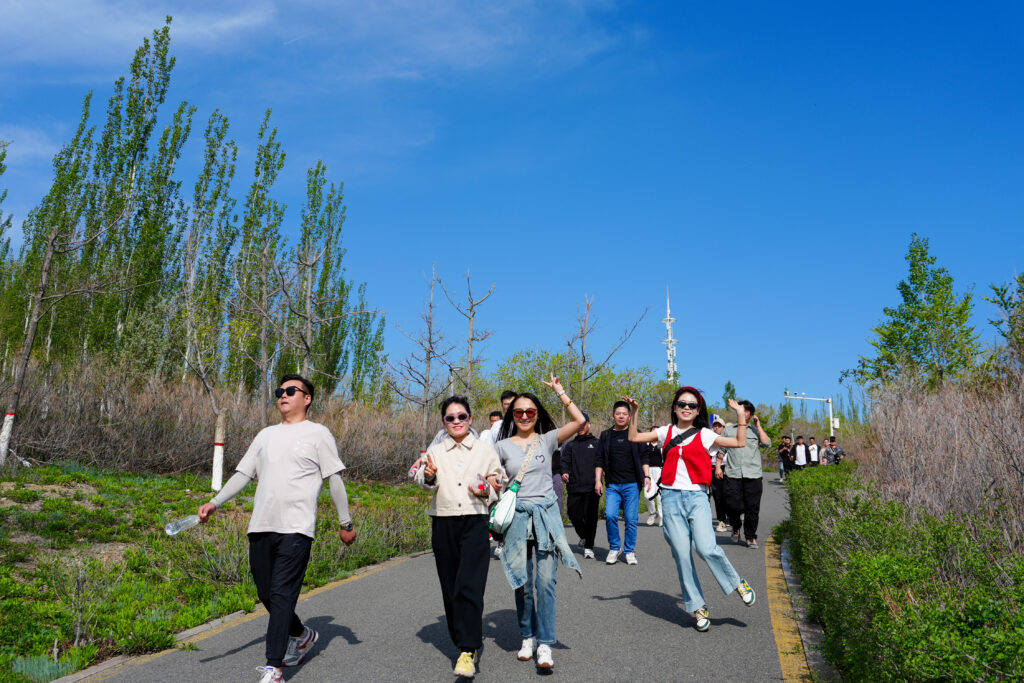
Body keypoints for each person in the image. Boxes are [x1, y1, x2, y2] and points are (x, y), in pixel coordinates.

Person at [197, 375, 356, 683]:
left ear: (306, 398)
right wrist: (215, 503)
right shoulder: (265, 435)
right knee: (267, 593)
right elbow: (243, 474)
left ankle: (274, 667)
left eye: (290, 391)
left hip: (297, 528)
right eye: (279, 391)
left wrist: (345, 522)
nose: (283, 395)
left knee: (282, 595)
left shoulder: (318, 434)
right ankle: (302, 634)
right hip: (261, 526)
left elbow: (335, 479)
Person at [623, 388, 756, 632]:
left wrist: (739, 415)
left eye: (692, 405)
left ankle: (737, 583)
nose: (686, 407)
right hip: (671, 499)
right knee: (682, 555)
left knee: (706, 548)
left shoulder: (705, 435)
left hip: (697, 498)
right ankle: (698, 606)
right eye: (682, 403)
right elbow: (633, 438)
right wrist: (635, 412)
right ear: (674, 407)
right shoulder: (665, 432)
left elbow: (740, 442)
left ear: (697, 411)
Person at [495, 375, 584, 670]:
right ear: (512, 415)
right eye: (518, 412)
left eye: (530, 412)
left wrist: (560, 391)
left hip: (545, 516)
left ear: (537, 415)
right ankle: (527, 636)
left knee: (545, 582)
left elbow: (580, 420)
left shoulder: (547, 440)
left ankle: (545, 643)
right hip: (517, 519)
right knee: (521, 582)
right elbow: (492, 477)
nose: (523, 417)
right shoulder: (502, 446)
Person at [415, 396, 503, 678]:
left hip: (475, 522)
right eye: (450, 418)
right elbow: (422, 481)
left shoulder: (485, 450)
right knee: (451, 587)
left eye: (461, 416)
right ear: (444, 422)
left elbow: (497, 484)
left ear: (470, 418)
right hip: (443, 522)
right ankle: (462, 638)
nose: (456, 422)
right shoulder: (435, 451)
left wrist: (486, 490)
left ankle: (468, 648)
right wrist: (428, 475)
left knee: (470, 585)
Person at [595, 400, 651, 565]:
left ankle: (629, 551)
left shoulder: (635, 434)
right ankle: (614, 547)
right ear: (613, 416)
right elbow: (599, 460)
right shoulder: (606, 435)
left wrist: (646, 476)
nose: (621, 416)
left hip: (632, 484)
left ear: (629, 416)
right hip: (612, 484)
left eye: (624, 414)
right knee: (610, 515)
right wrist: (598, 481)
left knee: (631, 518)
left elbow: (644, 456)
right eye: (618, 413)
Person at [719, 400, 771, 549]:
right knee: (732, 505)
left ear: (751, 414)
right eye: (741, 410)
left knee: (752, 507)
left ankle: (750, 536)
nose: (744, 412)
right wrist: (717, 467)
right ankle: (736, 526)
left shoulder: (755, 431)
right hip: (733, 473)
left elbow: (767, 443)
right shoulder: (728, 431)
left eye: (747, 410)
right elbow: (722, 451)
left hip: (753, 474)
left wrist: (759, 426)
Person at [560, 413, 600, 558]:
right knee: (573, 515)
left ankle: (589, 546)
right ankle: (584, 536)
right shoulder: (571, 445)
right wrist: (564, 472)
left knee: (591, 517)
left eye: (584, 424)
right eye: (578, 424)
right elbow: (564, 462)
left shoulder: (596, 443)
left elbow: (601, 462)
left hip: (592, 487)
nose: (581, 427)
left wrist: (600, 479)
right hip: (575, 486)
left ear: (589, 424)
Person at [709, 415, 730, 532]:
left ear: (723, 427)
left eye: (719, 426)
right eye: (715, 426)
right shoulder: (709, 439)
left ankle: (730, 517)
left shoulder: (728, 438)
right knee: (717, 495)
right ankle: (721, 520)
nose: (717, 428)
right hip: (713, 468)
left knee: (729, 494)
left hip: (728, 467)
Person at [644, 426, 664, 527]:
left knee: (660, 496)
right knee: (648, 495)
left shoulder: (662, 445)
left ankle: (661, 516)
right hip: (648, 471)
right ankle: (652, 513)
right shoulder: (646, 445)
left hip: (660, 470)